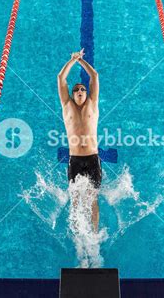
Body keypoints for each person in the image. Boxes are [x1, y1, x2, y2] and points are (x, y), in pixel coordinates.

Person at [57, 48, 101, 233]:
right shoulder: (67, 106)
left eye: (83, 89)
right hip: (75, 159)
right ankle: (77, 234)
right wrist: (72, 60)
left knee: (92, 199)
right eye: (76, 90)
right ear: (72, 94)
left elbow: (94, 76)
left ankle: (95, 234)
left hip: (92, 158)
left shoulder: (93, 103)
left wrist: (81, 61)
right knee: (75, 199)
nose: (81, 90)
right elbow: (61, 78)